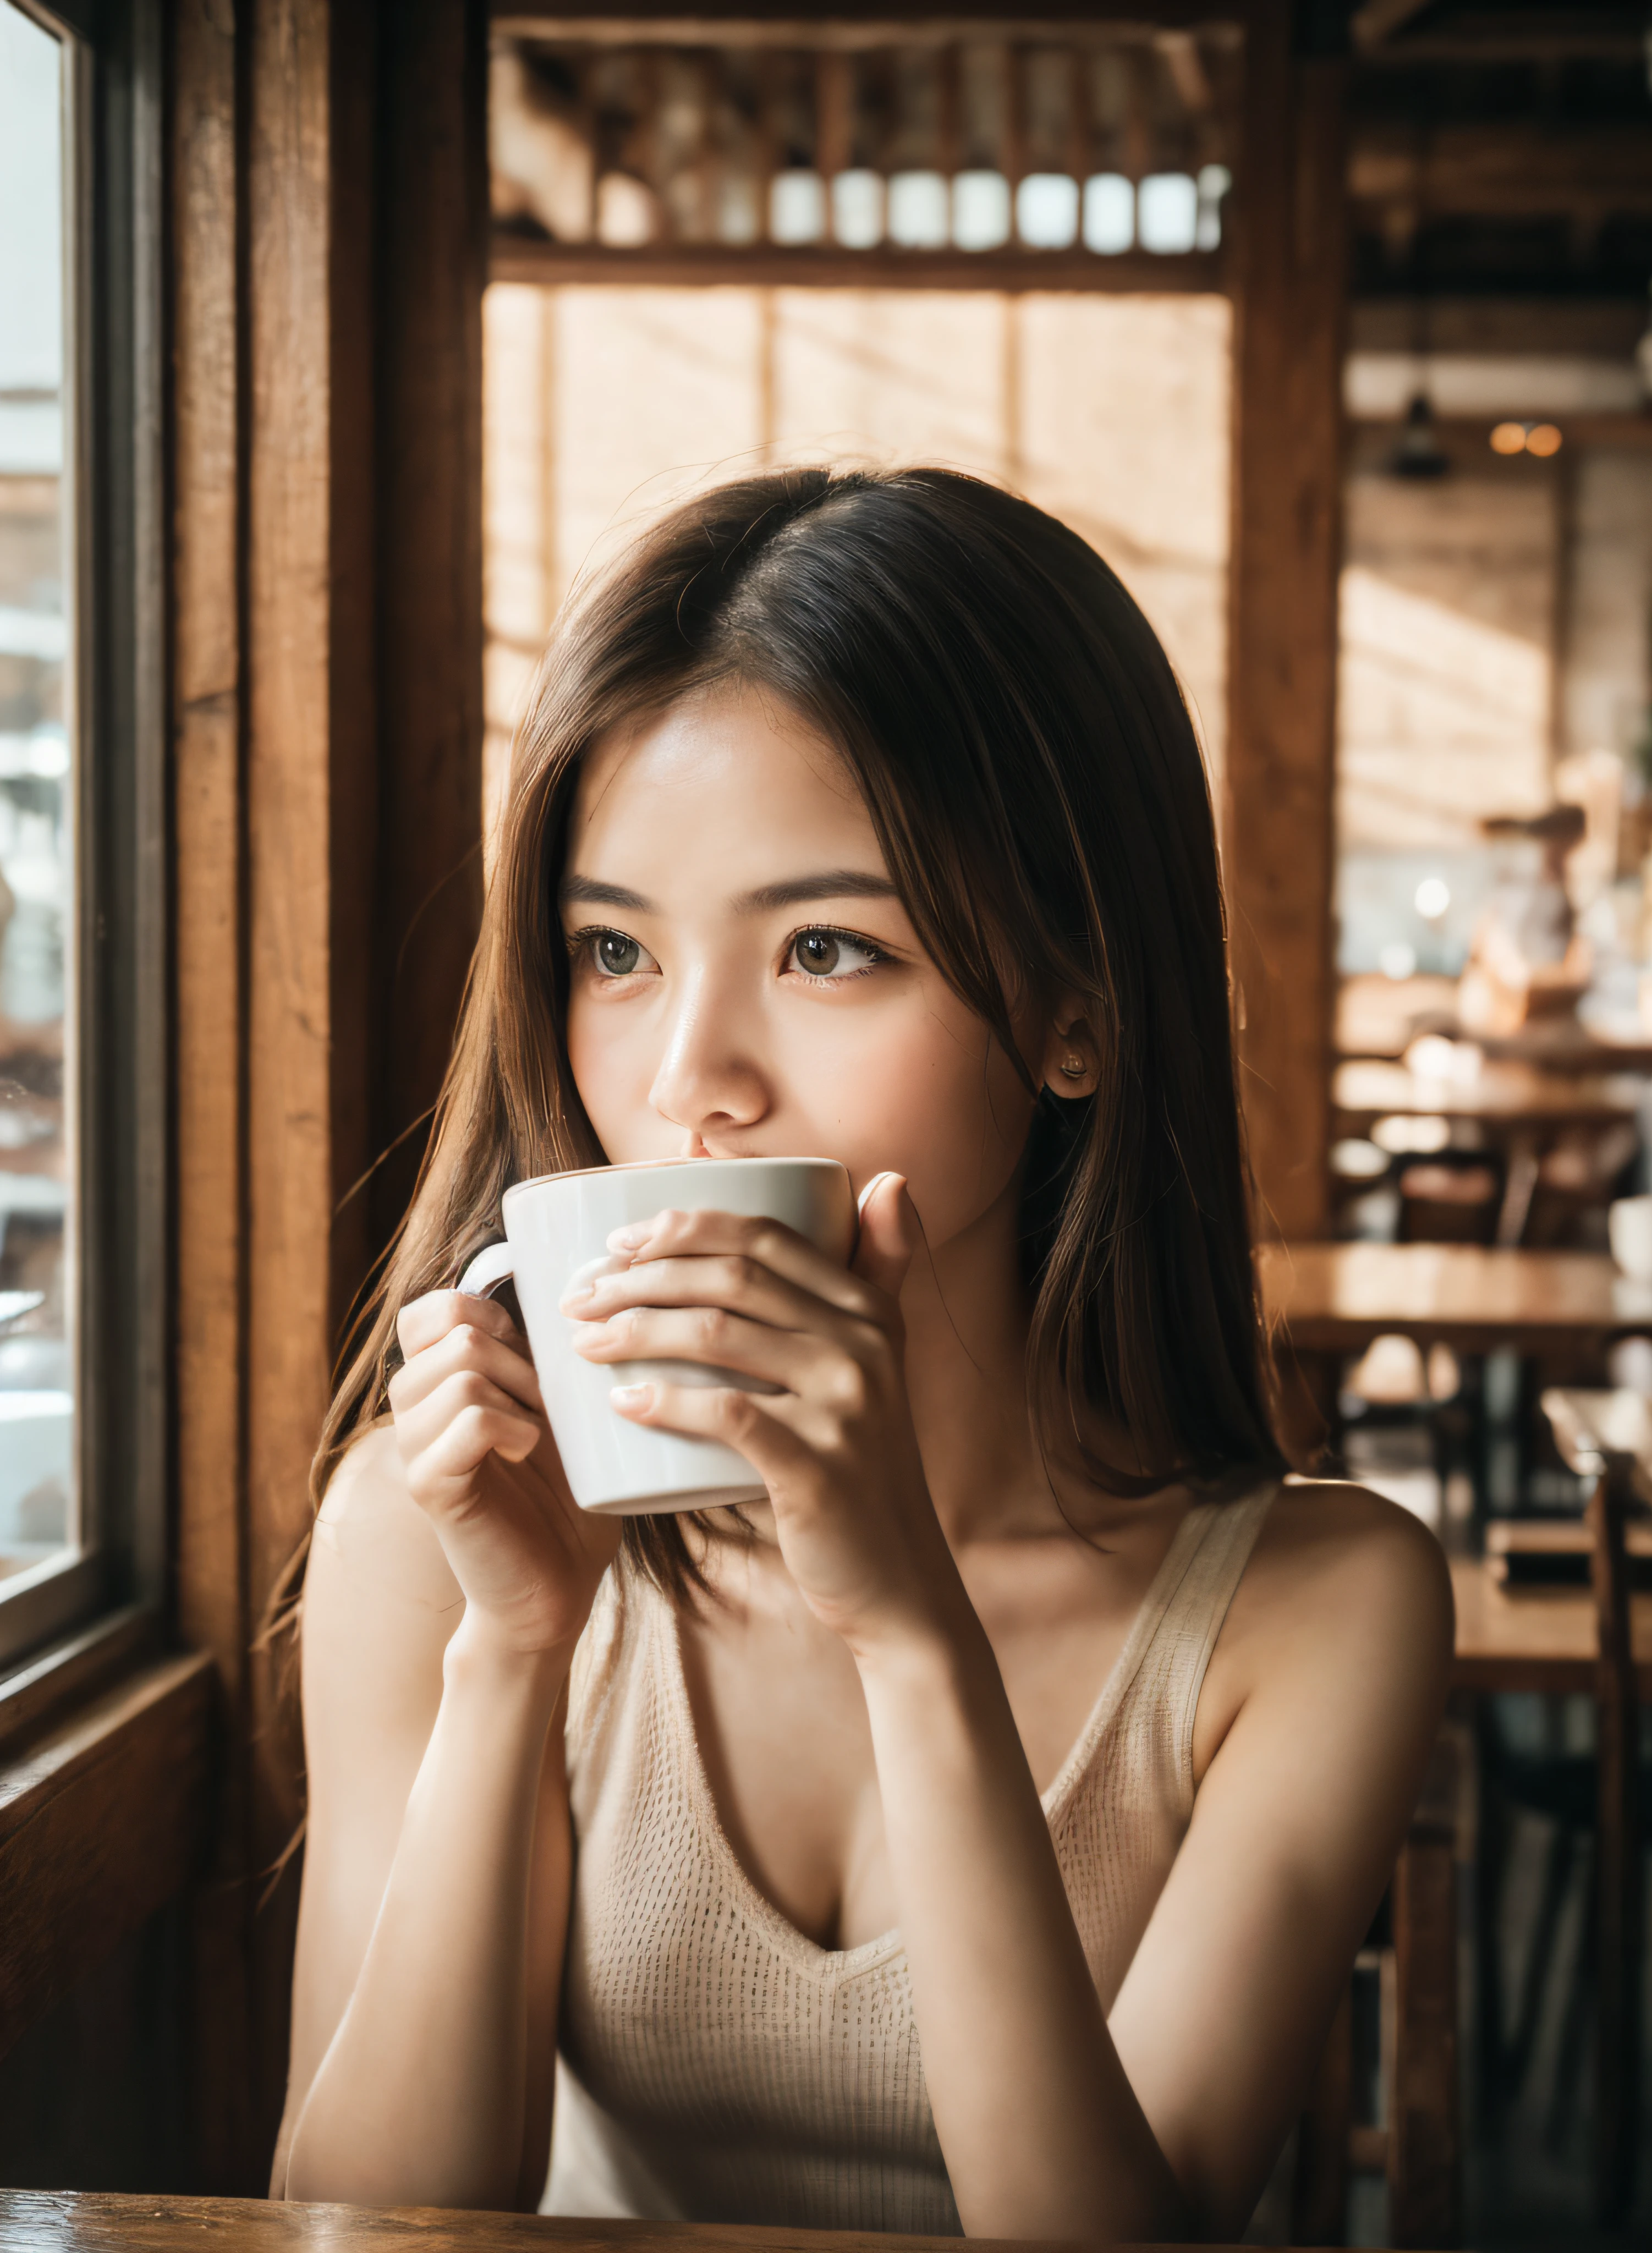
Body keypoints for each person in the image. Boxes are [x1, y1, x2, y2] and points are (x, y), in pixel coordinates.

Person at [272, 468, 1452, 2240]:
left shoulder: (1319, 1606)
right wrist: (514, 1653)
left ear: (1079, 1014)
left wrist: (911, 1626)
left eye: (826, 948)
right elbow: (364, 2227)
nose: (688, 1079)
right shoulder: (429, 1527)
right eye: (612, 949)